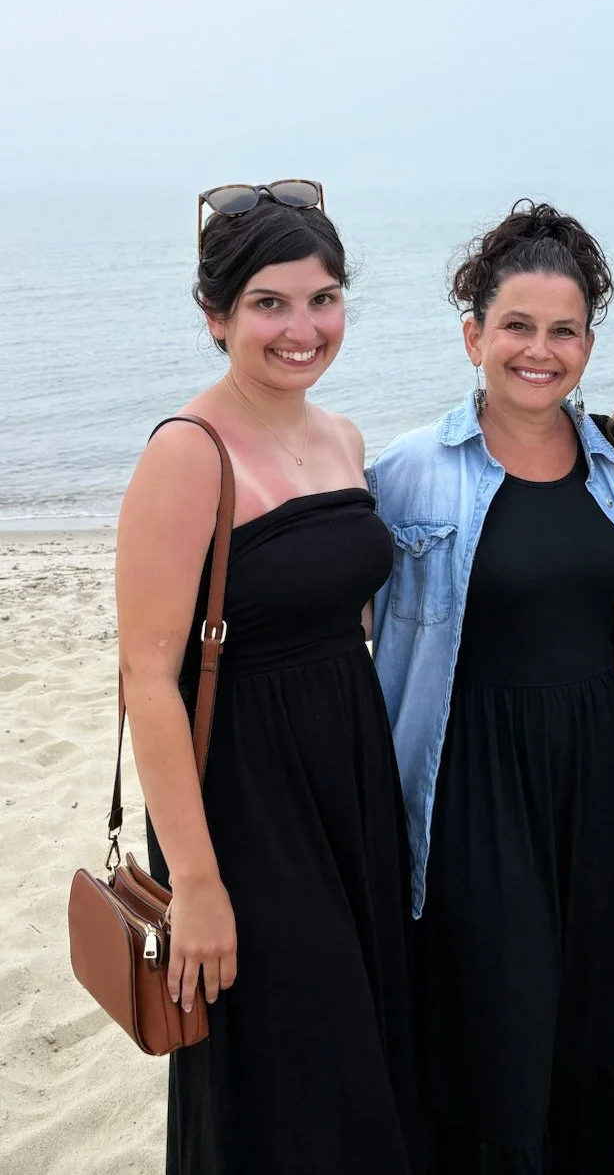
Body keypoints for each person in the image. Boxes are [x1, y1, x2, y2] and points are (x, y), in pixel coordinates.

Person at [116, 182, 421, 1174]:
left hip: (349, 769)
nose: (304, 327)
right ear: (216, 317)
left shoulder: (343, 438)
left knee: (359, 1037)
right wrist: (196, 882)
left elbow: (351, 606)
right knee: (291, 1055)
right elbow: (148, 678)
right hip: (242, 796)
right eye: (270, 303)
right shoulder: (187, 452)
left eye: (324, 297)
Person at [368, 200, 614, 1174]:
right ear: (473, 335)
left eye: (564, 330)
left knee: (580, 1016)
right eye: (517, 326)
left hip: (599, 785)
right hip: (472, 792)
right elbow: (331, 620)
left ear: (588, 342)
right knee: (499, 1020)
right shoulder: (409, 473)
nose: (540, 350)